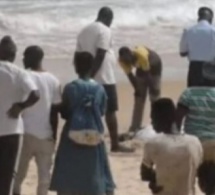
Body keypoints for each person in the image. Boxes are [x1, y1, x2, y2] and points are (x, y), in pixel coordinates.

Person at [50, 52, 115, 195]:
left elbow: (65, 113)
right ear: (92, 67)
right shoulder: (100, 89)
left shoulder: (71, 88)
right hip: (94, 134)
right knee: (94, 170)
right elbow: (102, 111)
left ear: (76, 67)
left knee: (69, 172)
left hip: (72, 135)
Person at [74, 7, 132, 152]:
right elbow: (100, 54)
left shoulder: (84, 30)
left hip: (86, 77)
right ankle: (115, 144)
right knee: (110, 111)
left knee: (89, 110)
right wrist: (92, 75)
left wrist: (83, 76)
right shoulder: (104, 30)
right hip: (105, 77)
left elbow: (77, 56)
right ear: (108, 18)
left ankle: (89, 143)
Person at [13, 46, 61, 195]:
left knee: (18, 176)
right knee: (44, 179)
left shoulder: (23, 76)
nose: (23, 59)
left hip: (25, 133)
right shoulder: (53, 80)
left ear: (32, 58)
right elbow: (55, 111)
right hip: (45, 134)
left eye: (25, 56)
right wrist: (54, 135)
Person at [0, 36, 39, 195]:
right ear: (14, 55)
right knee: (8, 174)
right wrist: (21, 106)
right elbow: (35, 94)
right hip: (12, 130)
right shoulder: (19, 73)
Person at [141, 98, 202, 195]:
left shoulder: (153, 143)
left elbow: (144, 174)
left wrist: (156, 179)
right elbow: (198, 171)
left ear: (160, 119)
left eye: (153, 119)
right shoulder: (194, 141)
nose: (152, 123)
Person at [176, 70, 215, 194]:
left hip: (192, 145)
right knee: (211, 181)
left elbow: (177, 120)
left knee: (189, 182)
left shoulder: (188, 93)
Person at [118, 46, 162, 138]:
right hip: (142, 68)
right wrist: (137, 89)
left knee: (154, 98)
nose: (127, 62)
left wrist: (153, 88)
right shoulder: (121, 61)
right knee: (139, 98)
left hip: (154, 66)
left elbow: (148, 74)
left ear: (131, 54)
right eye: (124, 60)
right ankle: (135, 126)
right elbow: (130, 76)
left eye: (128, 59)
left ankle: (157, 124)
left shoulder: (141, 55)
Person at [180, 7, 215, 87]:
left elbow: (182, 52)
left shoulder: (188, 30)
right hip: (211, 67)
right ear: (210, 18)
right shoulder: (213, 31)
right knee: (211, 94)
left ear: (198, 17)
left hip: (194, 68)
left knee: (193, 93)